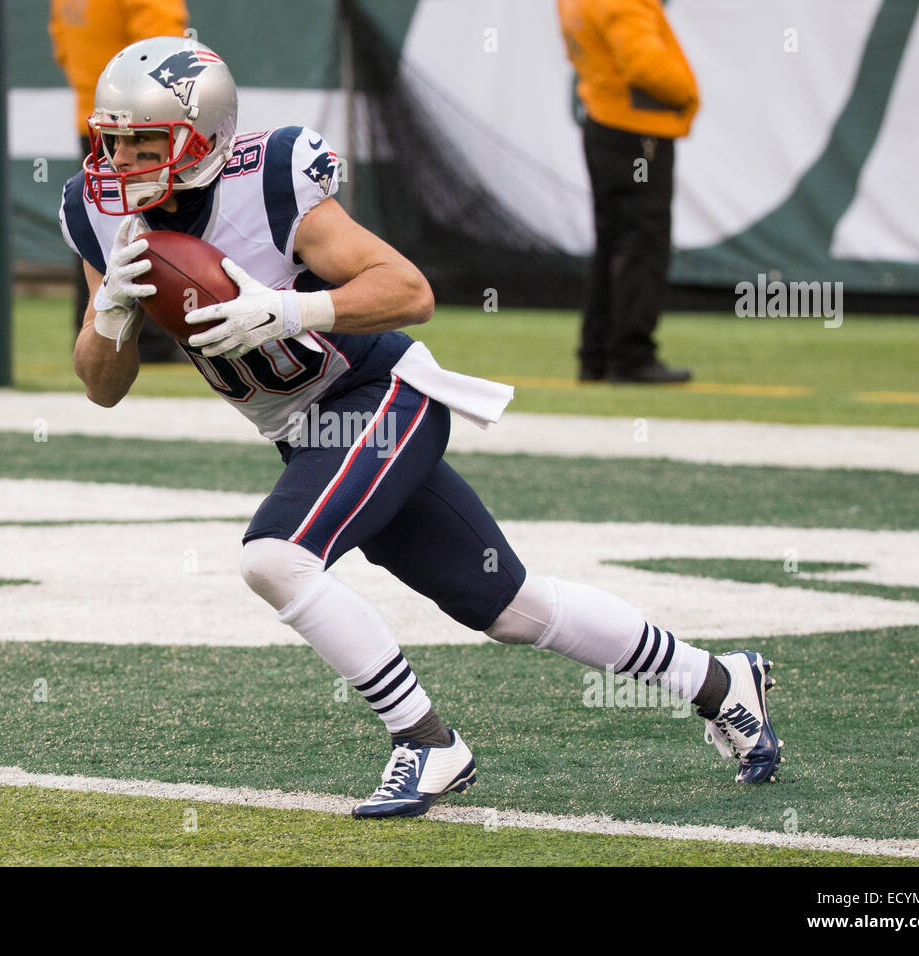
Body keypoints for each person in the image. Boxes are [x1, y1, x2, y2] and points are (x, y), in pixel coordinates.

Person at [60, 36, 781, 817]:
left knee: (276, 557)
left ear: (207, 138)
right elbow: (102, 387)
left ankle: (427, 742)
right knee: (511, 607)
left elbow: (408, 290)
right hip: (307, 431)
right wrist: (112, 314)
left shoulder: (268, 180)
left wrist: (294, 308)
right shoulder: (94, 209)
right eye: (115, 138)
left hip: (380, 393)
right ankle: (718, 680)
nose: (123, 160)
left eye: (146, 141)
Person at [558, 0, 696, 384]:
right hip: (637, 131)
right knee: (642, 242)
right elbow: (644, 64)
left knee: (612, 245)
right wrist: (688, 93)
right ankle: (632, 356)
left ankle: (597, 355)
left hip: (603, 123)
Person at [49, 0, 188, 362]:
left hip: (94, 115)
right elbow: (164, 49)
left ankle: (93, 330)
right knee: (158, 224)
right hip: (144, 122)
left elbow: (61, 45)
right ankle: (154, 340)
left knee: (98, 227)